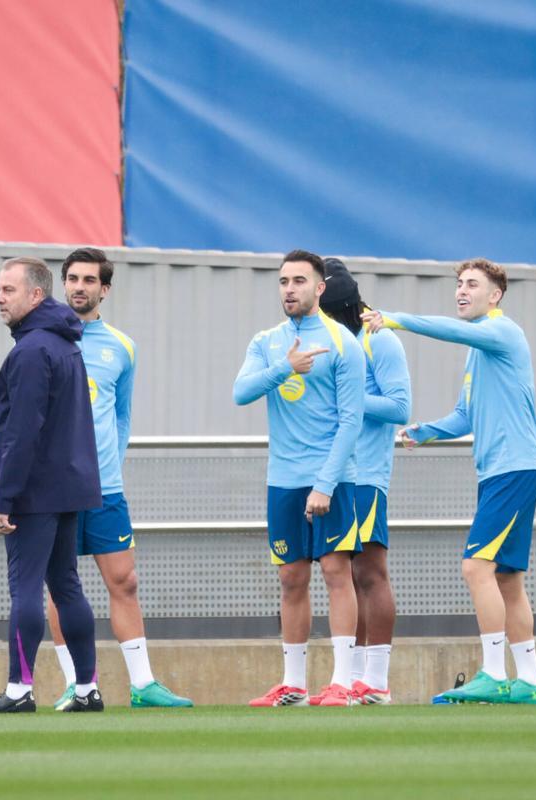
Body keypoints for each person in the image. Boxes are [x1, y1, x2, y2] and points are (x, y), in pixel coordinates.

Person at [362, 258, 536, 705]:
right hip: (502, 472)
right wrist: (424, 432)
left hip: (514, 469)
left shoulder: (503, 331)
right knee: (507, 578)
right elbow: (466, 415)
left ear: (495, 295)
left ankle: (493, 673)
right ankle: (528, 682)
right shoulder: (478, 351)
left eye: (472, 285)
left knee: (475, 567)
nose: (462, 291)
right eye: (460, 284)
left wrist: (396, 319)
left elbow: (450, 330)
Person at [44, 248, 192, 709]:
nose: (79, 287)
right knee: (61, 586)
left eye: (89, 280)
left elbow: (121, 415)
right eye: (72, 278)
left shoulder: (122, 347)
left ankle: (143, 685)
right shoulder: (42, 341)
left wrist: (111, 463)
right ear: (63, 283)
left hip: (105, 488)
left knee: (125, 581)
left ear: (104, 289)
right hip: (57, 491)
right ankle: (75, 684)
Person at [234, 249, 366, 707]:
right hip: (283, 480)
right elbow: (240, 392)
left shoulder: (343, 343)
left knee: (335, 571)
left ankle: (343, 682)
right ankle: (293, 684)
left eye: (299, 281)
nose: (289, 289)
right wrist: (284, 368)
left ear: (319, 288)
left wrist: (325, 484)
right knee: (291, 577)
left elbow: (351, 421)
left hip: (333, 479)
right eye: (284, 281)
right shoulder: (267, 342)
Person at [0, 257, 103, 714]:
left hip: (36, 490)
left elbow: (23, 431)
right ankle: (87, 690)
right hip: (69, 487)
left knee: (25, 589)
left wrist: (4, 496)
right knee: (67, 587)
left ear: (35, 295)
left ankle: (19, 690)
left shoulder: (31, 351)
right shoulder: (65, 343)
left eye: (8, 290)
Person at [318, 257, 411, 705]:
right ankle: (350, 677)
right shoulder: (327, 340)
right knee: (343, 575)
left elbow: (400, 407)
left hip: (367, 472)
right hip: (333, 473)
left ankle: (376, 681)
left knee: (369, 572)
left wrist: (351, 399)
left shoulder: (380, 338)